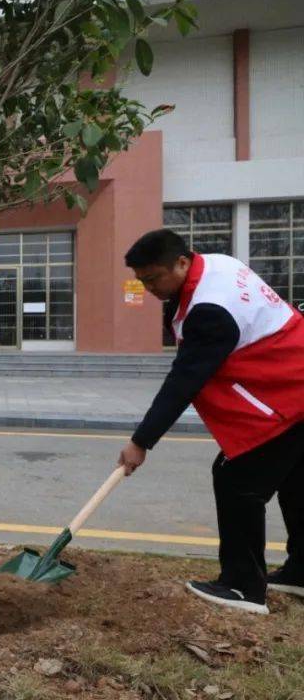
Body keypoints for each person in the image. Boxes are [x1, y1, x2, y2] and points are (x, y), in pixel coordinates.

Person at [119, 229, 304, 615]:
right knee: (294, 481)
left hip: (287, 392)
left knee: (236, 479)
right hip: (292, 377)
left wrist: (141, 442)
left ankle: (242, 587)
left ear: (182, 262)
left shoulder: (209, 310)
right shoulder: (217, 264)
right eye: (142, 281)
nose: (149, 288)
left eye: (154, 278)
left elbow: (184, 380)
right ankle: (300, 572)